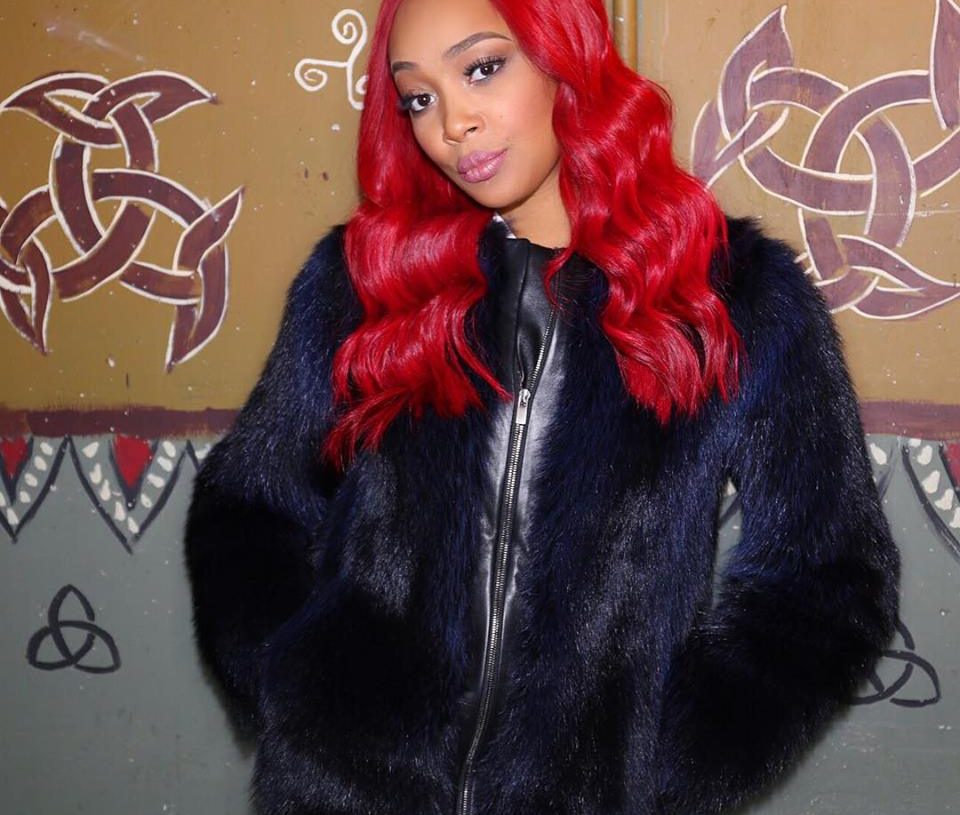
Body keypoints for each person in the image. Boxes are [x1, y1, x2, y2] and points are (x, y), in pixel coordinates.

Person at [183, 0, 901, 813]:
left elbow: (831, 573)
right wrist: (298, 688)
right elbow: (247, 505)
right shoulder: (365, 284)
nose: (451, 123)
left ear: (566, 58)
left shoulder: (730, 297)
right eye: (417, 97)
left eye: (482, 68)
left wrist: (671, 764)